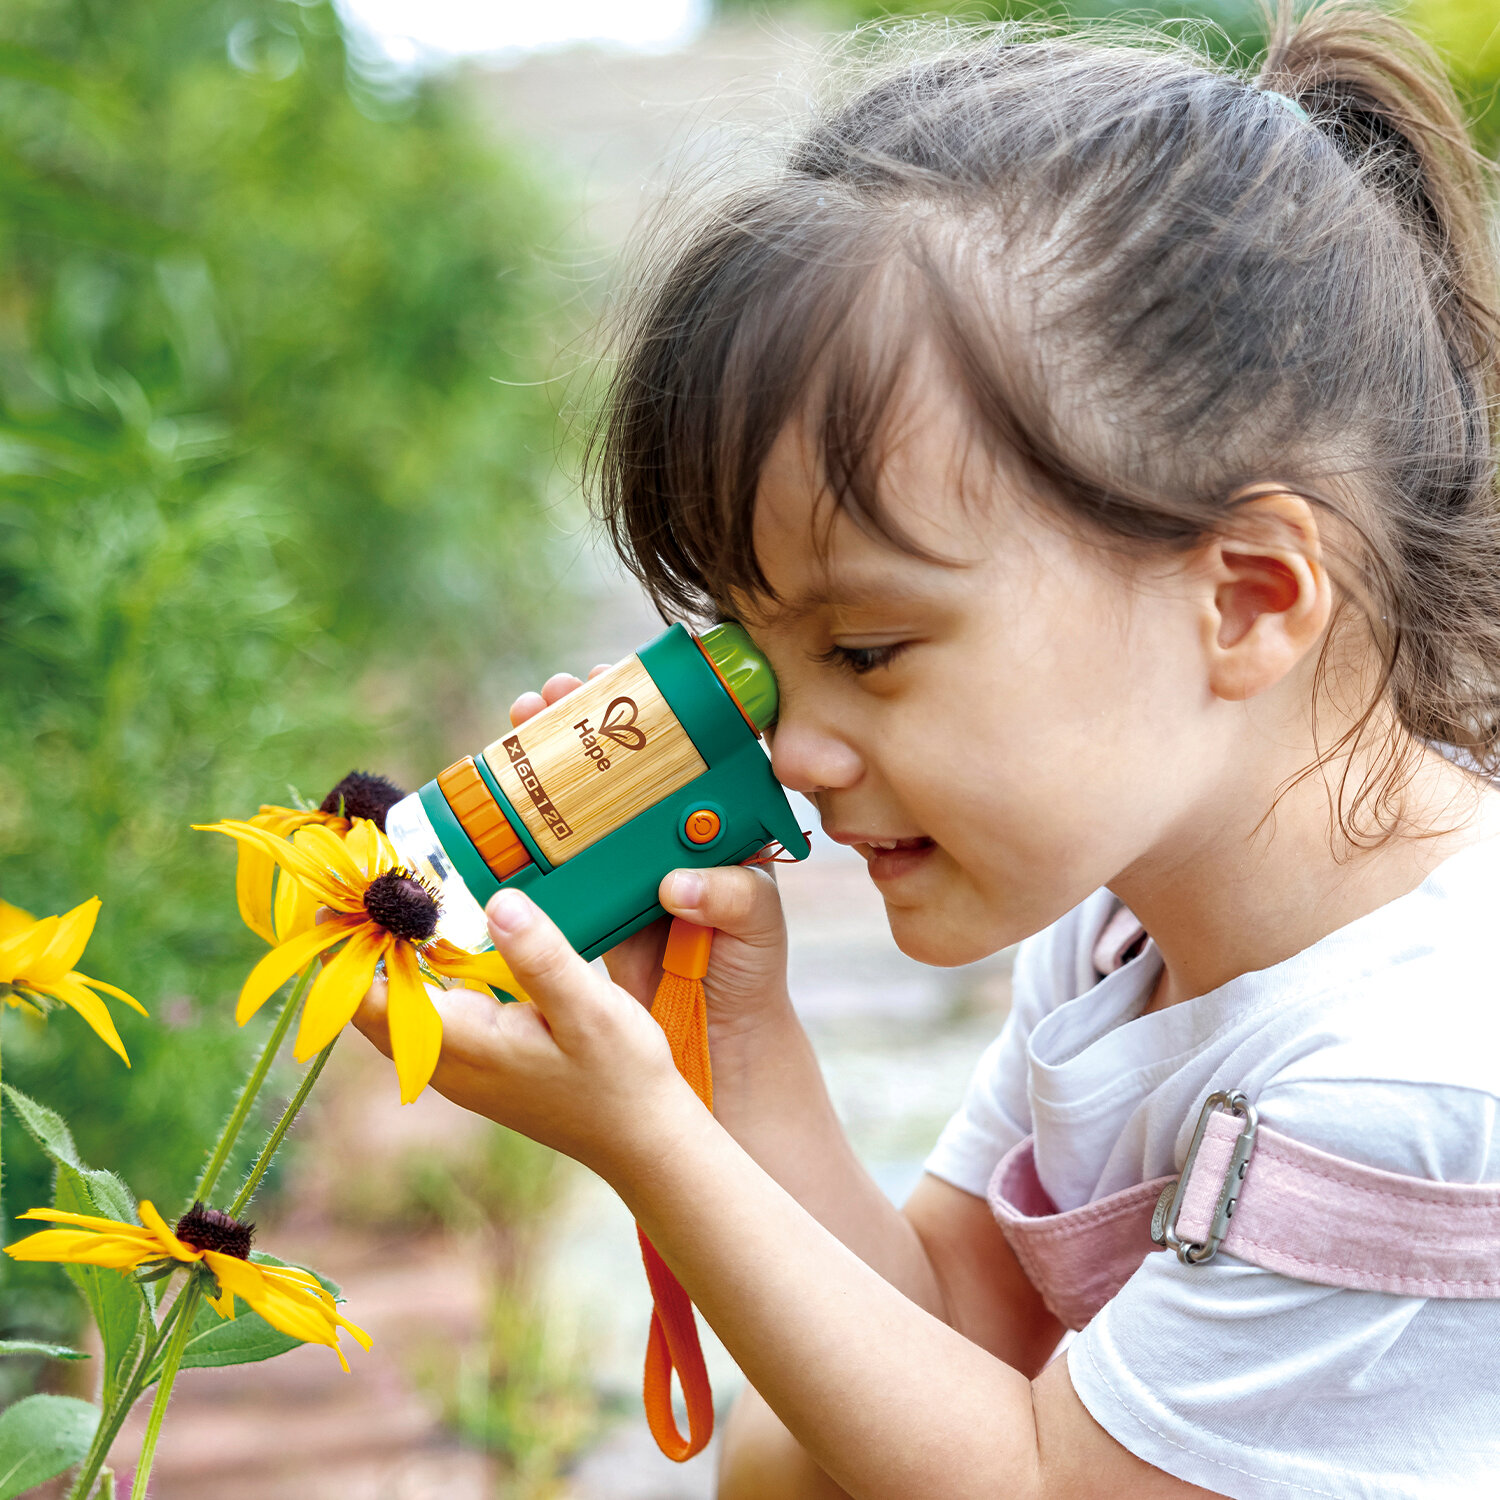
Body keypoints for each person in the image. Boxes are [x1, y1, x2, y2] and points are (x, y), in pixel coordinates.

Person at [354, 4, 1500, 1494]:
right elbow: (944, 1331)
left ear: (1249, 599)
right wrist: (730, 1052)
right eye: (764, 662)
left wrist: (646, 1142)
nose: (801, 751)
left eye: (869, 651)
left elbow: (1029, 1479)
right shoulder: (1120, 933)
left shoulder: (1417, 1088)